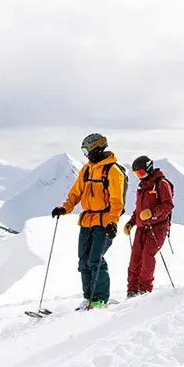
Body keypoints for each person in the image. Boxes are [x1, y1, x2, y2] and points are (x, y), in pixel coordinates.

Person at [51, 133, 127, 310]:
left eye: (87, 150)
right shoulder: (87, 170)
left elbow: (117, 201)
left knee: (95, 260)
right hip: (86, 221)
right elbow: (76, 192)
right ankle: (88, 298)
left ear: (98, 149)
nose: (85, 154)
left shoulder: (113, 171)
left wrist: (113, 222)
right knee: (83, 261)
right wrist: (65, 208)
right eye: (83, 151)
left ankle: (100, 300)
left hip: (104, 222)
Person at [123, 155, 174, 298]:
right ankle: (132, 291)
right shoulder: (143, 186)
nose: (139, 177)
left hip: (157, 227)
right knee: (135, 259)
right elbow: (139, 210)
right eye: (136, 174)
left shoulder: (161, 184)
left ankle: (144, 290)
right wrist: (131, 223)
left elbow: (168, 205)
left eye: (141, 173)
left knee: (147, 257)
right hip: (141, 228)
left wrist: (152, 213)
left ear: (149, 168)